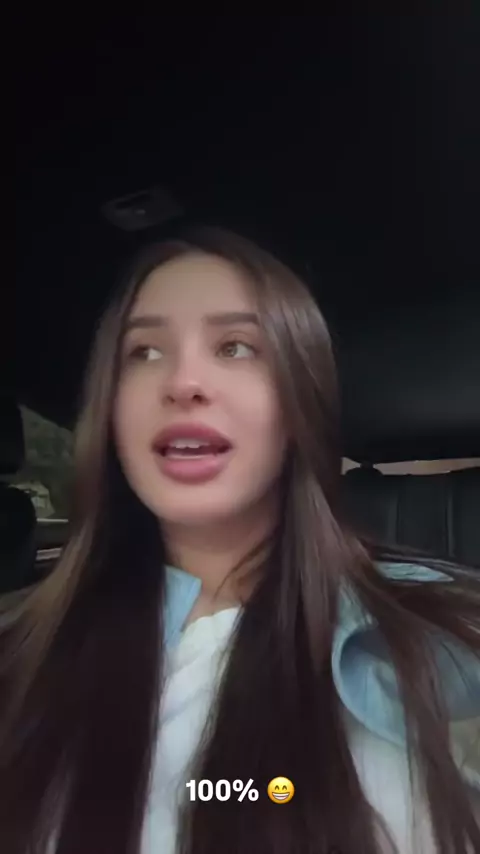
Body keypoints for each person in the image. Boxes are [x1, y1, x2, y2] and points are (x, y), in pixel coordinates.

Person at [0, 226, 479, 854]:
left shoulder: (450, 634)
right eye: (144, 352)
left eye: (234, 346)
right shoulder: (20, 652)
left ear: (299, 401)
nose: (183, 382)